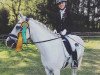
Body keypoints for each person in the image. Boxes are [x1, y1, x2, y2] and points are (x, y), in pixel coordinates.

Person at [47, 0, 78, 68]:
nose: (61, 4)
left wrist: (66, 30)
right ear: (58, 5)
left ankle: (75, 61)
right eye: (59, 3)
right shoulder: (57, 13)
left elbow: (71, 24)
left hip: (67, 33)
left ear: (65, 3)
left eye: (62, 3)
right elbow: (56, 24)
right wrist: (55, 29)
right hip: (59, 33)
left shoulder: (69, 12)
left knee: (72, 45)